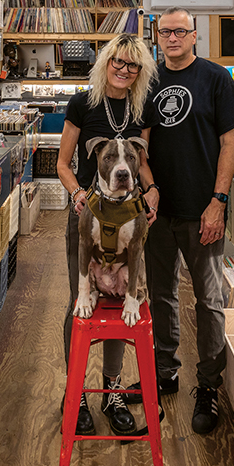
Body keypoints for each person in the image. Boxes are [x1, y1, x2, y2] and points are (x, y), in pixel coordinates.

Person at [124, 7, 234, 435]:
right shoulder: (149, 80)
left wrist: (218, 201)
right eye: (165, 32)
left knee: (209, 301)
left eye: (180, 31)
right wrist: (150, 187)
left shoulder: (216, 79)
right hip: (159, 212)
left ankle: (209, 386)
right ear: (157, 37)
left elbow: (229, 143)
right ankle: (165, 371)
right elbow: (141, 145)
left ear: (195, 35)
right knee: (160, 295)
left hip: (203, 212)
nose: (172, 38)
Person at [56, 33, 159, 436]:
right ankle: (77, 391)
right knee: (79, 301)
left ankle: (112, 390)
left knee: (118, 300)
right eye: (118, 61)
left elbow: (140, 164)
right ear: (105, 63)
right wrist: (78, 193)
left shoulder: (141, 108)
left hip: (128, 217)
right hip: (88, 215)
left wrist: (151, 189)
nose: (124, 70)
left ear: (140, 71)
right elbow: (64, 163)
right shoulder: (83, 104)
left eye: (133, 65)